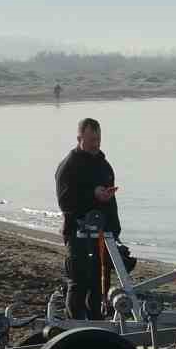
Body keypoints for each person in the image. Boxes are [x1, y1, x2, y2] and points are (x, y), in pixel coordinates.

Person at [55, 117, 121, 319]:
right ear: (79, 138)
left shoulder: (104, 165)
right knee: (78, 282)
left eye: (98, 139)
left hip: (103, 233)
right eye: (91, 139)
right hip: (77, 231)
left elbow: (111, 202)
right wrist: (93, 194)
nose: (96, 143)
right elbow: (65, 202)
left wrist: (115, 230)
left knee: (100, 283)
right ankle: (75, 325)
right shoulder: (69, 166)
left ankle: (98, 322)